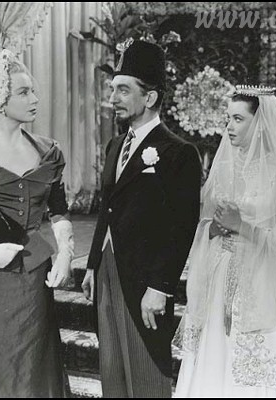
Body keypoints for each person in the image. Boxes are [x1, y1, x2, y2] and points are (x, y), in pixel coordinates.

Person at [81, 39, 202, 398]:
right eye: (113, 89)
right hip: (108, 270)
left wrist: (161, 287)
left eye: (123, 90)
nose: (113, 98)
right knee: (112, 370)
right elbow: (107, 209)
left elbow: (183, 227)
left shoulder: (179, 153)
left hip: (145, 279)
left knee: (146, 373)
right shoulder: (115, 146)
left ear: (149, 97)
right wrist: (91, 265)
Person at [174, 85, 276, 398]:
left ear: (260, 123)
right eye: (228, 119)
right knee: (213, 361)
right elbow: (205, 225)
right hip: (219, 281)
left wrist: (242, 227)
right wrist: (213, 229)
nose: (229, 127)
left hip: (260, 288)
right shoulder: (222, 170)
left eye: (238, 119)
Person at [0, 49, 74, 397]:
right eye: (24, 92)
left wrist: (65, 254)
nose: (35, 99)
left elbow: (58, 211)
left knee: (32, 373)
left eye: (33, 90)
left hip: (33, 281)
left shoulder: (48, 151)